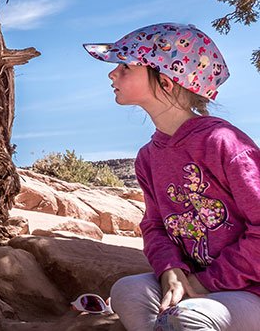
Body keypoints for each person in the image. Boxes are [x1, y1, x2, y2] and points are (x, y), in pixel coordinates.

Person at [83, 23, 260, 330]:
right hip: (197, 285)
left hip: (250, 291)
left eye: (126, 66)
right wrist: (170, 269)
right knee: (128, 291)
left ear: (165, 81)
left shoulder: (223, 143)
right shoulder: (148, 157)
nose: (113, 74)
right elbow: (154, 227)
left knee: (189, 317)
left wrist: (208, 283)